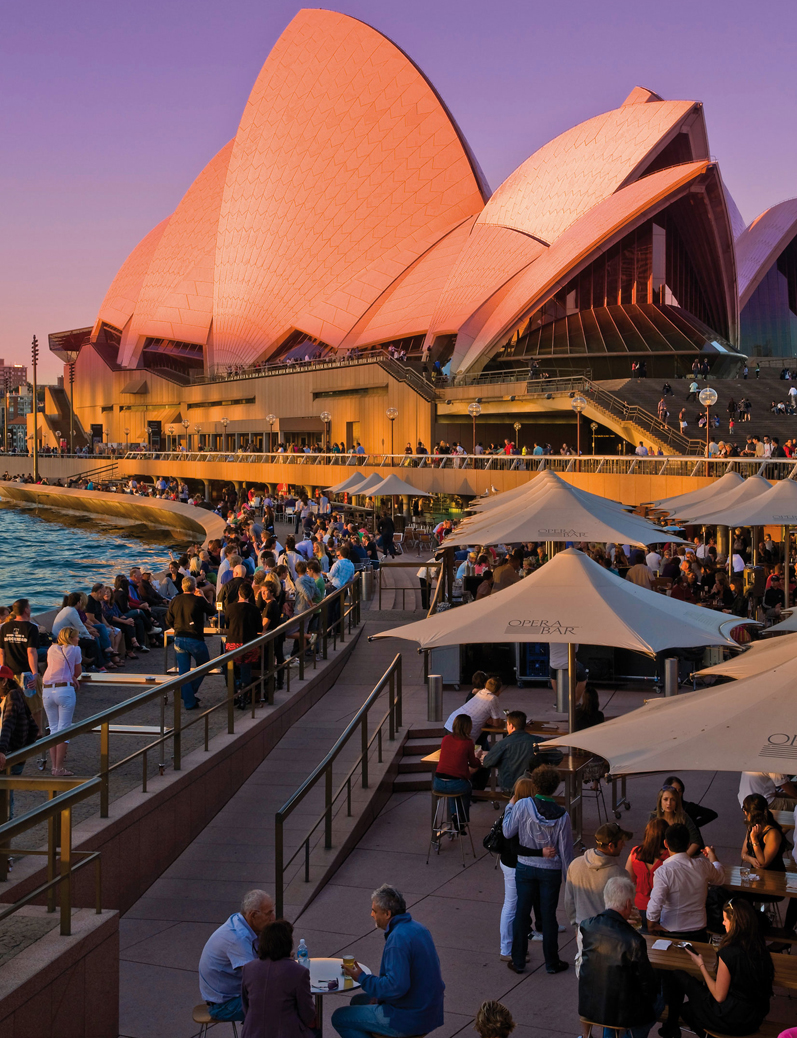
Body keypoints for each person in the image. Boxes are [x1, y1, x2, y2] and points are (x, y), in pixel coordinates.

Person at [333, 884, 445, 1038]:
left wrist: (361, 977)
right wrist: (379, 997)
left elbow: (396, 987)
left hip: (409, 1017)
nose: (371, 914)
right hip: (429, 1010)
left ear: (386, 913)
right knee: (358, 1000)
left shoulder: (397, 940)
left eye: (374, 911)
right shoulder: (419, 929)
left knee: (340, 1017)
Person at [660, 898, 773, 1038]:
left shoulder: (729, 953)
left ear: (735, 923)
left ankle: (671, 1023)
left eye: (725, 919)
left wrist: (701, 965)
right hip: (755, 1018)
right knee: (687, 999)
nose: (723, 923)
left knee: (680, 978)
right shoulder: (761, 949)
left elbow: (719, 996)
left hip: (731, 1018)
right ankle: (671, 1024)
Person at [502, 764, 574, 975]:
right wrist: (569, 879)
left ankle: (517, 961)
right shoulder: (562, 816)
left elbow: (507, 832)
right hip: (550, 870)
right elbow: (566, 851)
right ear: (555, 787)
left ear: (535, 784)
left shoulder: (523, 805)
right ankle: (552, 962)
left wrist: (509, 807)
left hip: (525, 866)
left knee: (522, 912)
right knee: (548, 916)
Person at [578, 876, 659, 1038]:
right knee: (661, 1000)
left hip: (591, 1005)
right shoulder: (634, 940)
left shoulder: (588, 926)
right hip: (622, 1013)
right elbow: (648, 985)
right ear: (629, 904)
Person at [198, 890, 275, 1024]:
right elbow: (256, 977)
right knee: (281, 1005)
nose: (273, 918)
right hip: (224, 1005)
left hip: (234, 995)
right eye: (268, 913)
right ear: (252, 915)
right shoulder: (237, 938)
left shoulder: (243, 923)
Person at [565, 822, 630, 972]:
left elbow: (569, 902)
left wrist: (576, 927)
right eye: (621, 842)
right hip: (610, 936)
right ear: (611, 846)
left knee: (586, 980)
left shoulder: (575, 865)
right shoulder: (620, 875)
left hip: (584, 932)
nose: (624, 845)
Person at [646, 823, 725, 941]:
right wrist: (712, 855)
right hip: (699, 932)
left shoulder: (663, 872)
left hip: (671, 932)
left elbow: (656, 903)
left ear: (666, 844)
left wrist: (651, 926)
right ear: (688, 844)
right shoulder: (702, 865)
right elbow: (720, 877)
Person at [240, 919, 316, 1038]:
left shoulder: (248, 968)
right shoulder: (299, 972)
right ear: (288, 943)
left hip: (252, 1033)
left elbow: (246, 1005)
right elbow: (307, 1014)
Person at [165, 576, 216, 709]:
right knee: (205, 665)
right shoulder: (198, 600)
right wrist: (203, 596)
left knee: (183, 671)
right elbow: (212, 611)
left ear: (182, 587)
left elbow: (168, 620)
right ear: (195, 588)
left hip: (179, 638)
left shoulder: (175, 600)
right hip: (194, 638)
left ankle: (188, 698)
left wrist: (176, 627)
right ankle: (188, 694)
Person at [42, 627, 82, 776]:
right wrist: (71, 676)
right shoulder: (75, 650)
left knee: (53, 728)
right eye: (77, 637)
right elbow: (77, 672)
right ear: (71, 638)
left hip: (47, 690)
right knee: (64, 729)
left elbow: (53, 667)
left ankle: (54, 767)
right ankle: (59, 768)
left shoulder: (51, 649)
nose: (78, 639)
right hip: (64, 690)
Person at [0, 666, 39, 818]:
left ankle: (6, 830)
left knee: (5, 796)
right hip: (12, 753)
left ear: (4, 681)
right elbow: (33, 728)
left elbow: (8, 724)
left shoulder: (13, 696)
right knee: (6, 794)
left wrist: (3, 750)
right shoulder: (14, 696)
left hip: (8, 755)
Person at [433, 713, 481, 831]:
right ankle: (462, 819)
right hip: (456, 783)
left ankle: (454, 815)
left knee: (451, 787)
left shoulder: (446, 739)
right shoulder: (468, 743)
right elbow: (474, 764)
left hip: (438, 783)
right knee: (465, 788)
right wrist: (478, 757)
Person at [483, 710, 542, 792]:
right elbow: (557, 756)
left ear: (511, 726)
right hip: (532, 785)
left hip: (509, 787)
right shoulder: (538, 741)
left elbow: (487, 762)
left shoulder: (503, 744)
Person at [624, 818, 669, 927]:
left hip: (640, 906)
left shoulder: (635, 853)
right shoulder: (669, 857)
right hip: (664, 908)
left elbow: (627, 879)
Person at [443, 676, 504, 746]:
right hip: (462, 731)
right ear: (499, 690)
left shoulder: (481, 692)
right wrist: (488, 720)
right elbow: (496, 723)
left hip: (450, 723)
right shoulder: (493, 699)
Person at [650, 785, 701, 856]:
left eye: (673, 800)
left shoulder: (683, 817)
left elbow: (696, 841)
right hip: (658, 857)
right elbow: (650, 841)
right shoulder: (654, 817)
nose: (669, 803)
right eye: (665, 799)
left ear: (677, 802)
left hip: (680, 858)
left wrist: (683, 859)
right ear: (660, 801)